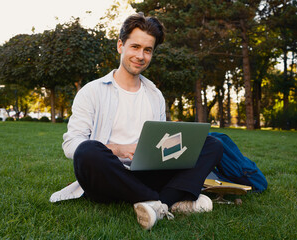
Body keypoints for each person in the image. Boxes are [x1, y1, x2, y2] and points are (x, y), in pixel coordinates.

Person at [61, 13, 223, 230]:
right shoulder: (92, 92)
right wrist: (120, 149)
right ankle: (165, 202)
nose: (140, 55)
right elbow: (71, 145)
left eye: (147, 50)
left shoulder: (154, 94)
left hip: (146, 173)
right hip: (108, 175)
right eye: (135, 47)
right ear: (120, 46)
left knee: (213, 144)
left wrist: (171, 148)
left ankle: (158, 204)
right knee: (87, 151)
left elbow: (160, 141)